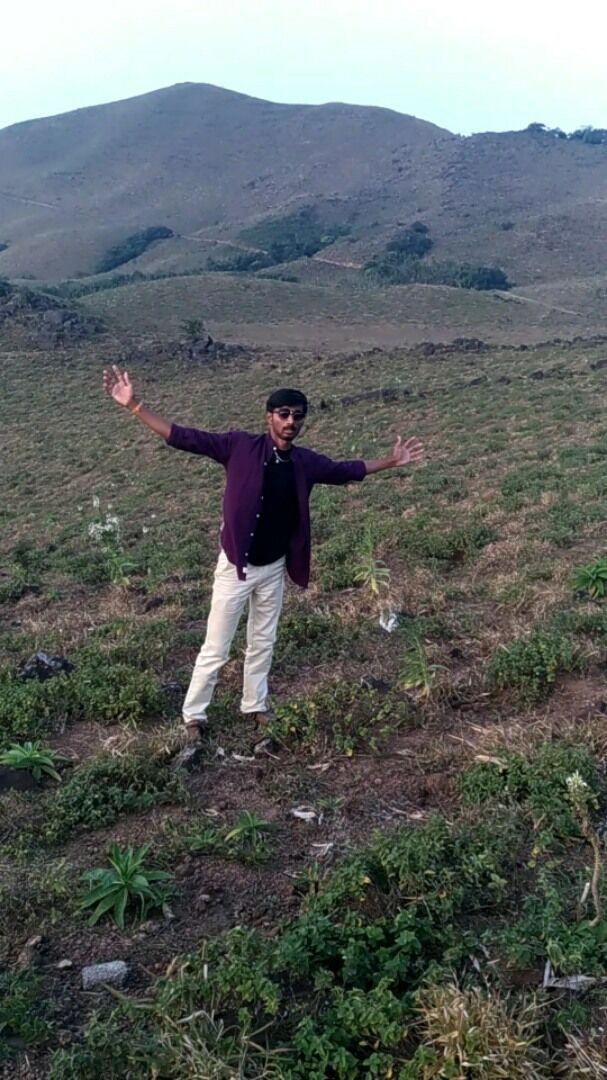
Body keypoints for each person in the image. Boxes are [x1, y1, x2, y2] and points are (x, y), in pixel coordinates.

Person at [102, 365, 424, 751]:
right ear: (268, 416)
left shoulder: (304, 462)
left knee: (263, 641)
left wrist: (391, 461)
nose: (290, 422)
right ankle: (194, 715)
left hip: (273, 569)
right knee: (216, 647)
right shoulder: (238, 446)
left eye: (297, 416)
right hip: (236, 569)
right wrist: (134, 406)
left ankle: (255, 704)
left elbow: (345, 471)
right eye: (283, 414)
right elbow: (183, 437)